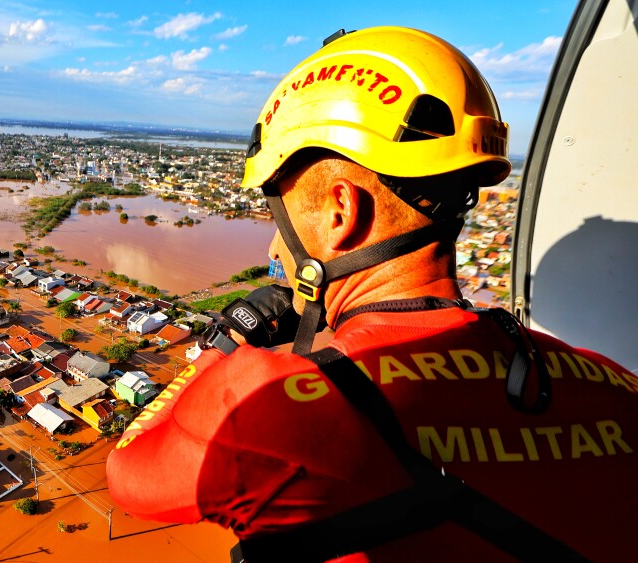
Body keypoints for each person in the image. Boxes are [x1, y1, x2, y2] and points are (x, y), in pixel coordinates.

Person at [105, 26, 637, 562]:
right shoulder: (611, 382)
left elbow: (127, 470)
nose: (274, 244)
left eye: (280, 217)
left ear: (341, 212)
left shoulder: (264, 405)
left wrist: (225, 344)